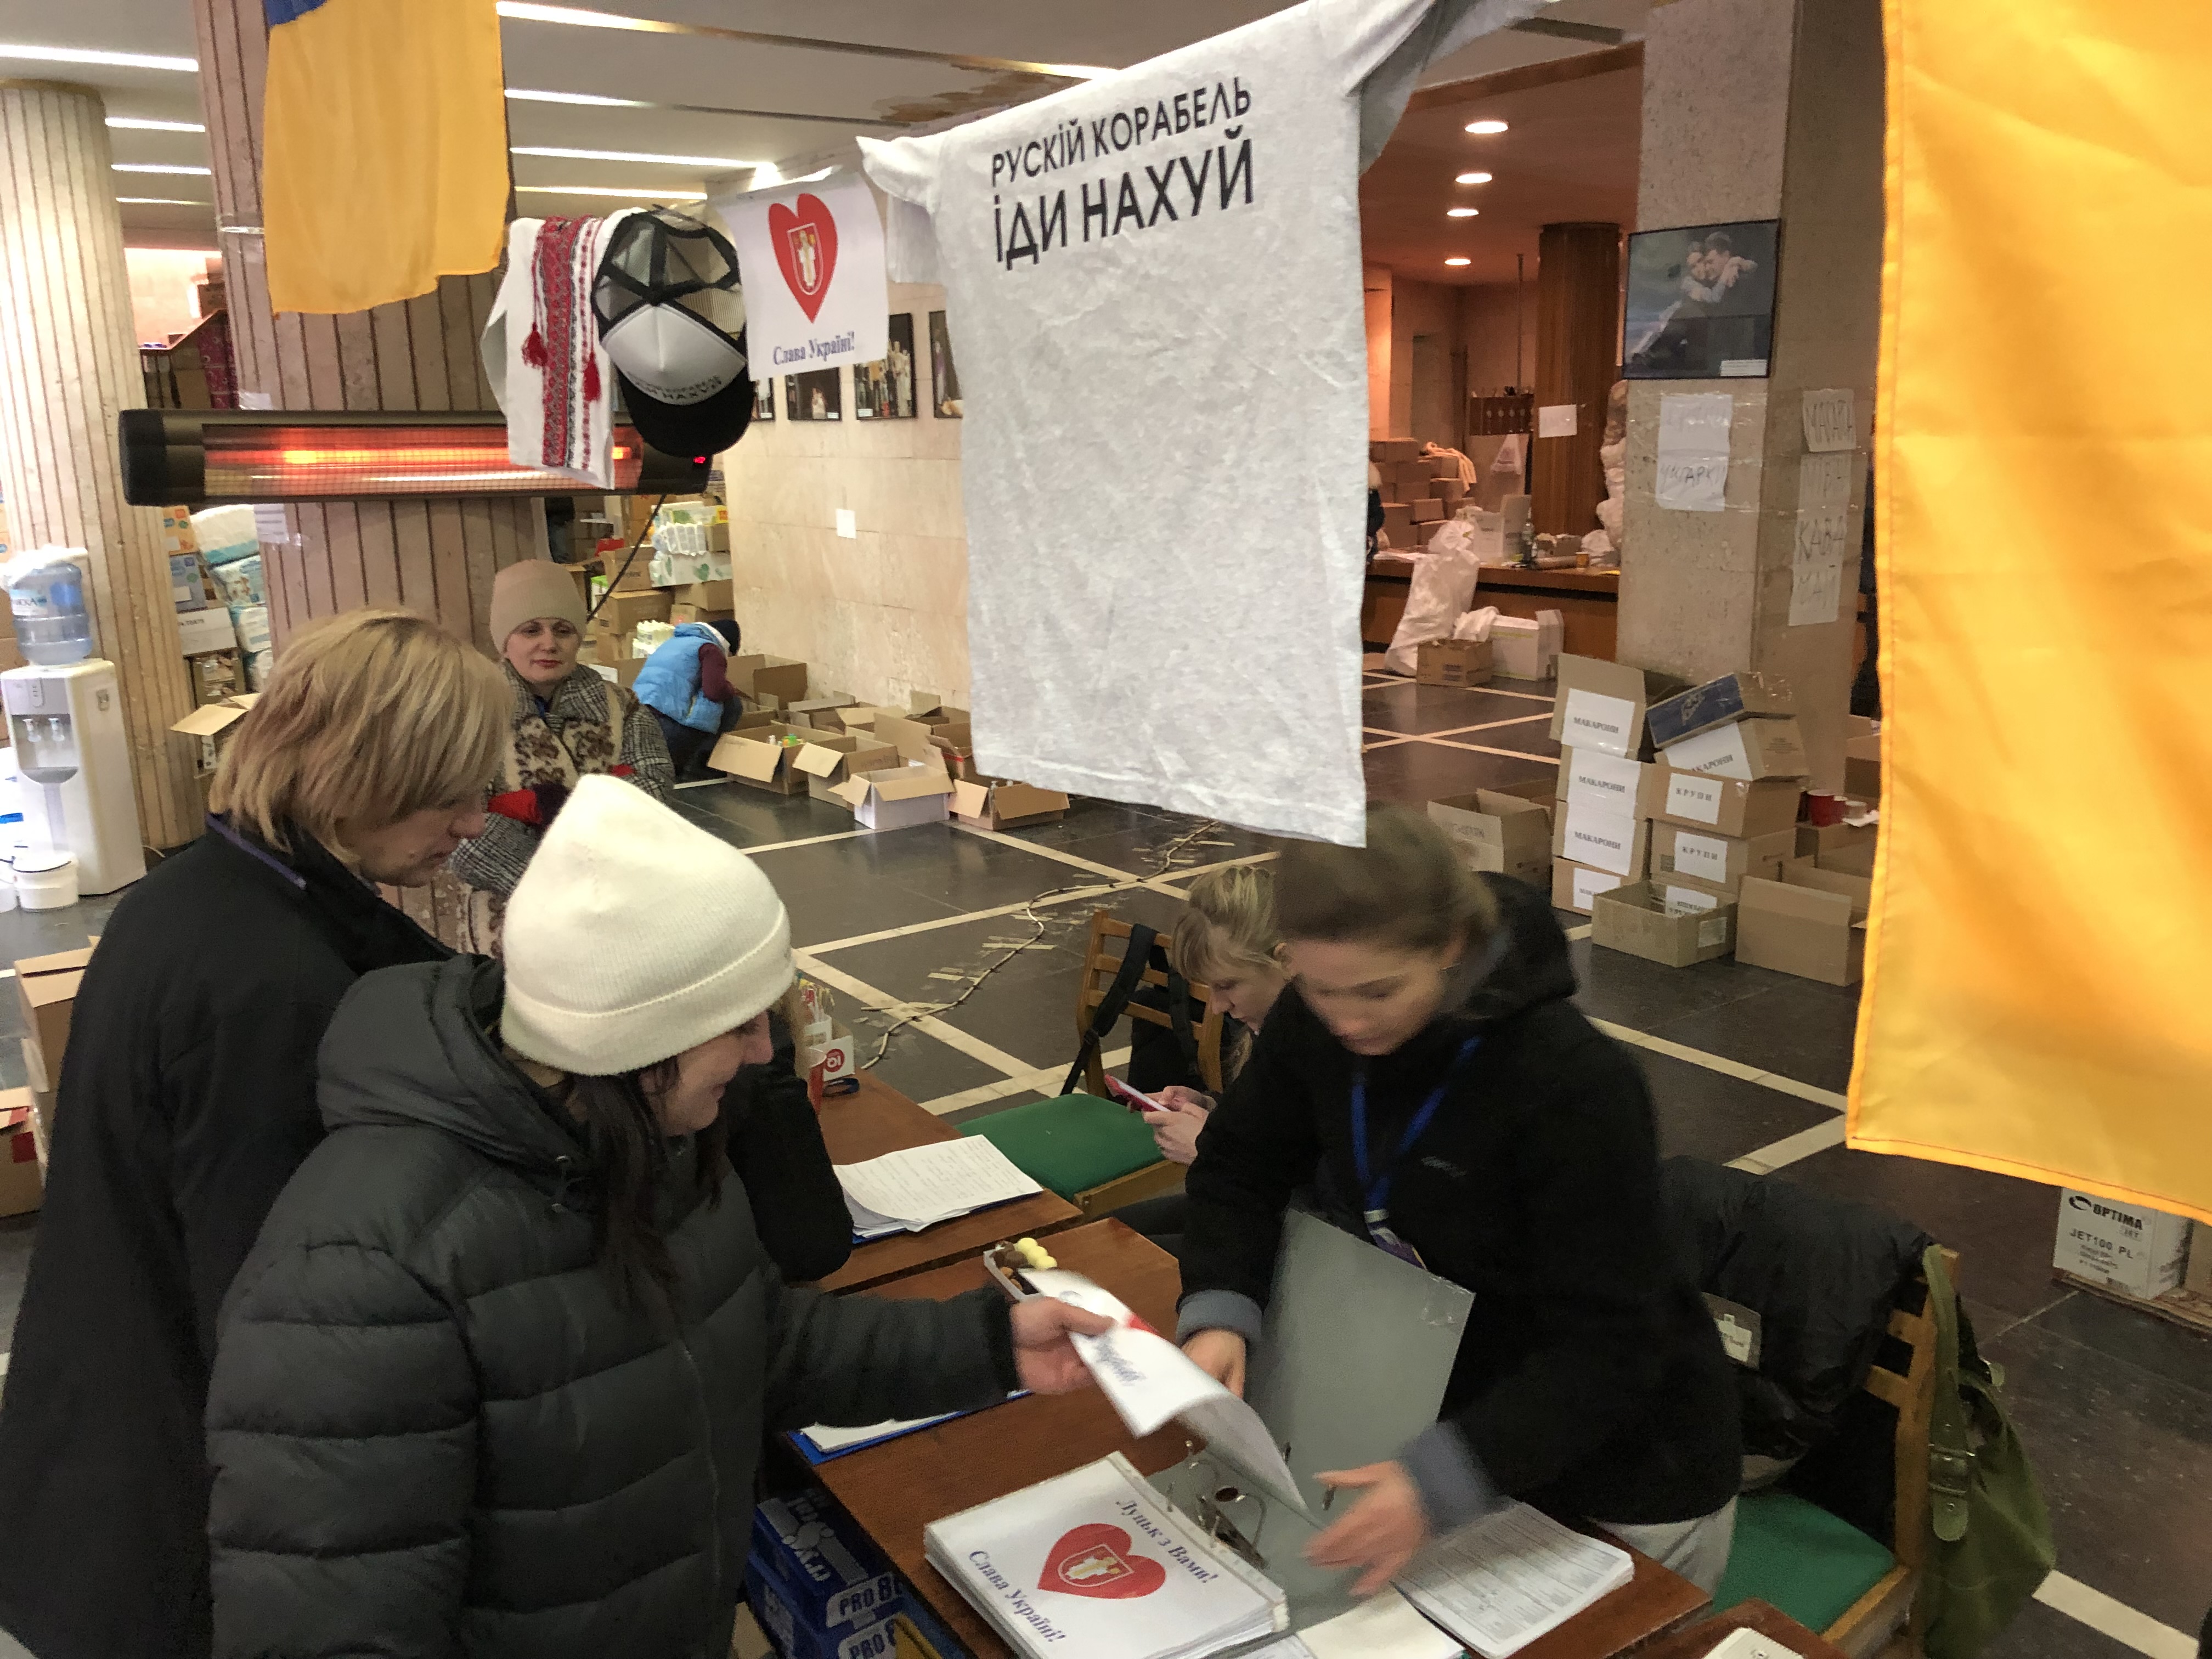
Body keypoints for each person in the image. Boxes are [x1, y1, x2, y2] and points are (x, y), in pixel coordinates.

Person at [202, 777, 1111, 1658]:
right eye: (741, 1024)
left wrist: (991, 1343)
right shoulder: (361, 1279)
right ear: (635, 1039)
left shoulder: (649, 1145)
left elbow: (757, 1336)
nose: (764, 1052)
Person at [0, 610, 510, 1659]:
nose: (472, 822)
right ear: (363, 770)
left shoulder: (192, 891)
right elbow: (280, 1326)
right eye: (449, 792)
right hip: (181, 1520)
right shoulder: (272, 987)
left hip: (94, 1441)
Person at [1177, 809, 1741, 1596]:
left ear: (1450, 949)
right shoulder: (1317, 1018)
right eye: (1319, 988)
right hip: (1457, 1416)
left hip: (1629, 1470)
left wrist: (1443, 1478)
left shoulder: (1573, 1084)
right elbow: (1240, 1162)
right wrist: (1220, 1304)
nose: (1346, 1019)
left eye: (1377, 991)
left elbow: (1612, 1341)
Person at [443, 558, 676, 952]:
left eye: (563, 630)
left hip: (621, 914)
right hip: (513, 927)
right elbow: (461, 829)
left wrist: (538, 809)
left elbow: (656, 794)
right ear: (505, 641)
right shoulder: (470, 716)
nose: (549, 643)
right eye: (531, 630)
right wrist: (561, 885)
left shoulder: (623, 707)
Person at [1115, 864, 1290, 1259]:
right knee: (1109, 1235)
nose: (1217, 1006)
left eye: (1227, 985)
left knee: (1122, 1260)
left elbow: (1316, 1194)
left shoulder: (1330, 1049)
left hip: (1290, 1240)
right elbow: (1266, 1127)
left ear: (1287, 962)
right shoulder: (1269, 1035)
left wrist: (1209, 1150)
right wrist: (1211, 1108)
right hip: (1251, 1207)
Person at [634, 616, 744, 780]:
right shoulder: (711, 649)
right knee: (733, 705)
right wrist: (731, 689)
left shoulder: (674, 641)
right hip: (666, 723)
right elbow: (714, 691)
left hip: (637, 714)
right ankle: (703, 763)